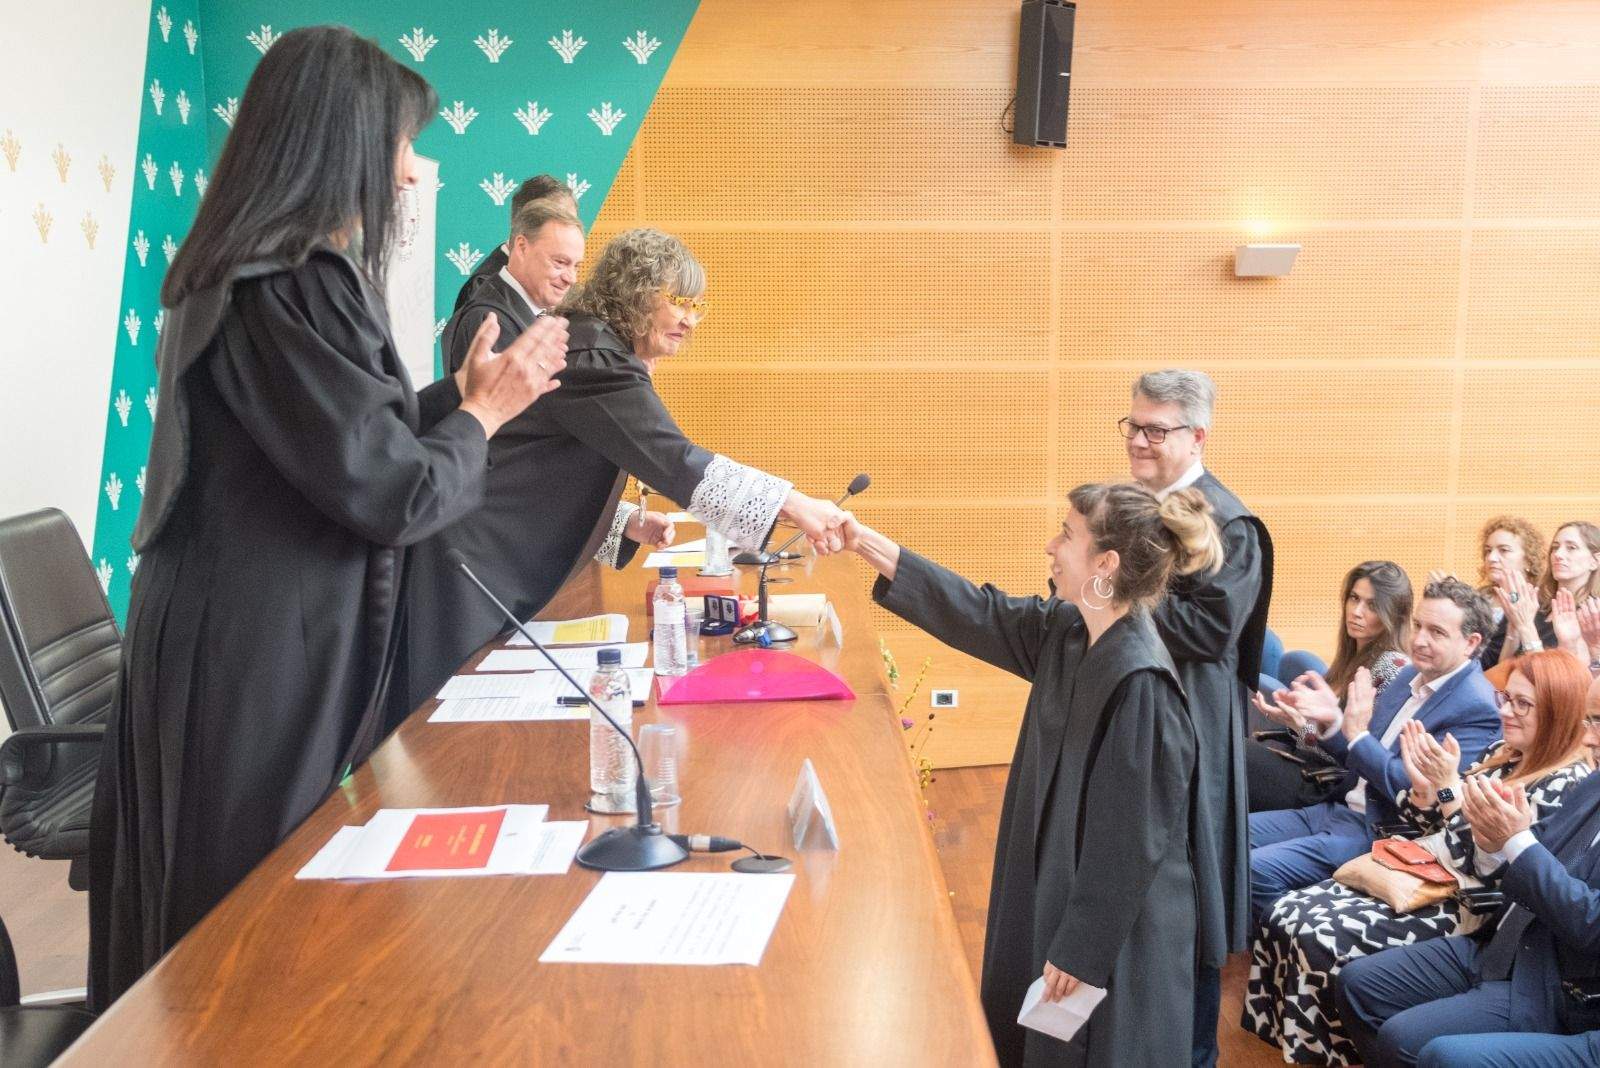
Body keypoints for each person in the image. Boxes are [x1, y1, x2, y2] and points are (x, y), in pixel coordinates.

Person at [86, 26, 568, 1009]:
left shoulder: (243, 267)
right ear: (339, 138)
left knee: (231, 918)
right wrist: (486, 414)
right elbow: (393, 492)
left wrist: (453, 399)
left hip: (226, 626)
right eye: (400, 143)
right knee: (244, 933)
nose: (409, 172)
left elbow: (335, 436)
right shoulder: (290, 278)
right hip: (251, 649)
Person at [841, 482, 1222, 1065]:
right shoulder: (1068, 631)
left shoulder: (1141, 682)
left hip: (1118, 931)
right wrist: (864, 543)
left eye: (1067, 535)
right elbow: (978, 611)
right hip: (1057, 886)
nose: (1051, 546)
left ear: (1106, 563)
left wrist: (1081, 950)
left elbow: (1131, 840)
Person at [405, 228, 850, 708]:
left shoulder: (592, 344)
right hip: (467, 569)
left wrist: (622, 523)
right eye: (679, 302)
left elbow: (541, 467)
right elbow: (675, 461)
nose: (690, 320)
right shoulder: (596, 357)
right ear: (637, 290)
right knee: (440, 724)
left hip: (472, 556)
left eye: (698, 307)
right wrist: (796, 505)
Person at [1245, 650, 1594, 1065]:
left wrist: (1446, 792)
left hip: (1467, 899)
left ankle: (1329, 1052)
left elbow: (1496, 866)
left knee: (1319, 932)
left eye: (1523, 704)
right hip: (1431, 866)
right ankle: (1298, 1043)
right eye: (1506, 698)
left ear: (1557, 714)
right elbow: (1434, 823)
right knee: (1289, 912)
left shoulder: (1567, 781)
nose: (1507, 711)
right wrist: (1428, 794)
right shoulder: (1503, 750)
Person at [1121, 369, 1274, 1066]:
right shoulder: (1131, 505)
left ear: (1198, 436)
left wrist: (1114, 594)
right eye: (1133, 426)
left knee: (1190, 916)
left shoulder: (1230, 524)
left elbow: (1208, 632)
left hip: (1194, 740)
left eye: (1156, 430)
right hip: (1137, 722)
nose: (1139, 440)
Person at [1249, 578, 1502, 919]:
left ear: (1471, 643)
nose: (1420, 640)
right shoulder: (1408, 675)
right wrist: (1329, 724)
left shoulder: (1476, 708)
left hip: (1383, 833)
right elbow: (1357, 757)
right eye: (1418, 626)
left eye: (1437, 632)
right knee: (1223, 839)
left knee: (1253, 869)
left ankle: (1269, 947)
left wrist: (1354, 734)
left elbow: (1413, 793)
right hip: (1338, 808)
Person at [1334, 758, 1600, 1066]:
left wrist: (1510, 837)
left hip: (1553, 978)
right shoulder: (1591, 781)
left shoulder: (1566, 774)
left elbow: (1590, 921)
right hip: (1500, 938)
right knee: (1357, 983)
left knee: (1404, 1037)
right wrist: (1492, 846)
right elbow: (1531, 845)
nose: (1592, 739)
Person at [1247, 561, 1413, 812]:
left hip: (1333, 787)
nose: (1356, 611)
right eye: (1354, 598)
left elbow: (1355, 759)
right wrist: (1294, 722)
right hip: (1312, 769)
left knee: (1233, 758)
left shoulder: (1392, 666)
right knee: (1231, 752)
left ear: (1394, 615)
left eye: (1372, 606)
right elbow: (1326, 744)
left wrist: (1303, 727)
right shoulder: (1351, 658)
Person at [453, 173, 577, 312]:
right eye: (557, 222)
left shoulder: (565, 282)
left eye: (572, 222)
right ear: (520, 223)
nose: (569, 233)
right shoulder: (483, 290)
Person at [1495, 521, 1600, 669]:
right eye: (1555, 547)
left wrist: (1526, 627)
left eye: (1571, 548)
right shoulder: (1536, 605)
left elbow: (1557, 680)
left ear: (1595, 561)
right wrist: (1513, 629)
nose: (1558, 554)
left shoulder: (1592, 615)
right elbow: (1502, 669)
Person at [1465, 515, 1550, 667]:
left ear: (1528, 559)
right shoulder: (1475, 598)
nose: (1491, 558)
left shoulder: (1540, 606)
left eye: (1503, 550)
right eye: (1488, 550)